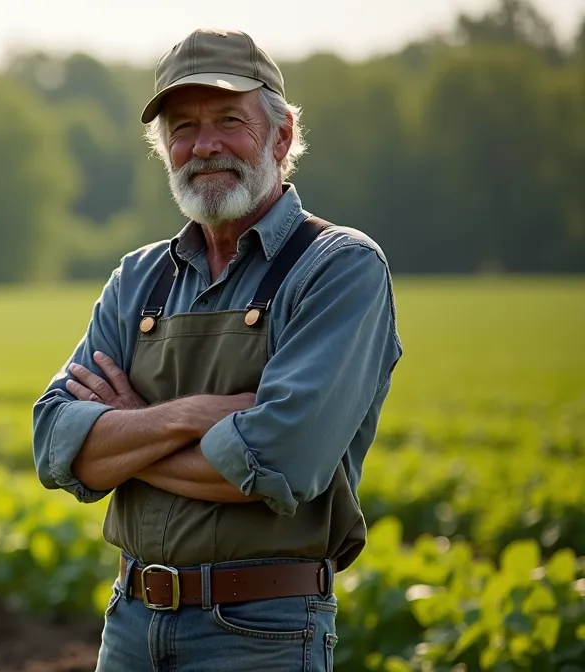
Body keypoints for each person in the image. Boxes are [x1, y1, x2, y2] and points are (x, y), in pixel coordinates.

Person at [31, 28, 403, 672]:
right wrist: (193, 415)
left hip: (261, 632)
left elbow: (279, 461)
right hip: (130, 623)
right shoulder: (139, 277)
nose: (204, 145)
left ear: (281, 136)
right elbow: (56, 443)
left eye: (229, 120)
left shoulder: (338, 267)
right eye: (183, 127)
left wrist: (126, 436)